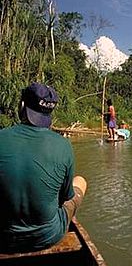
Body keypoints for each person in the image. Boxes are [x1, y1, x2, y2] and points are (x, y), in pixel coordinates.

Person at [0, 82, 87, 253]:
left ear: (22, 105)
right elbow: (64, 198)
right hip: (48, 236)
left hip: (3, 238)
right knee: (81, 181)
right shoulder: (63, 145)